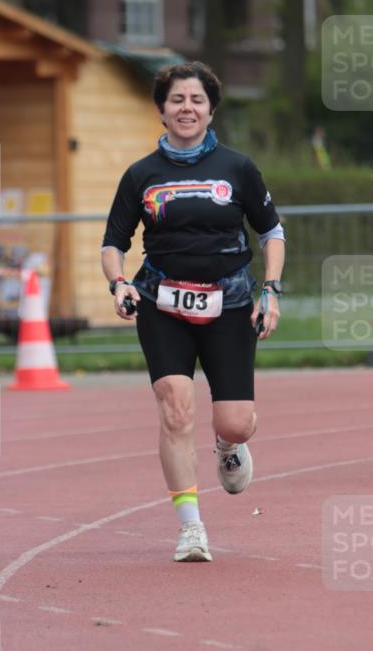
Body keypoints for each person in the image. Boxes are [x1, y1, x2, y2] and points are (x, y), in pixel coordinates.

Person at [101, 61, 285, 561]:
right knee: (175, 405)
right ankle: (190, 526)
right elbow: (113, 243)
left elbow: (271, 232)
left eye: (197, 100)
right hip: (162, 302)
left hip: (230, 303)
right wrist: (118, 283)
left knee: (237, 421)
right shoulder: (141, 175)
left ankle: (228, 445)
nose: (187, 108)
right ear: (161, 110)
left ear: (210, 109)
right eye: (177, 100)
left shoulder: (238, 168)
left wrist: (271, 290)